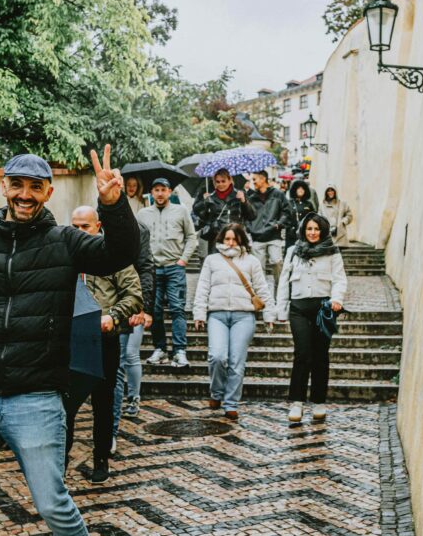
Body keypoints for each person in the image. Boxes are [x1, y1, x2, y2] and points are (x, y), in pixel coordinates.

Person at [0, 147, 137, 536]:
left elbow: (120, 253)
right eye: (17, 185)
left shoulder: (65, 242)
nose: (25, 194)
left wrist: (113, 205)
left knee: (52, 505)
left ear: (48, 193)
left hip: (36, 399)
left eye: (35, 187)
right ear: (3, 187)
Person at [64, 206, 142, 484]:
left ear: (98, 226)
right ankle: (61, 460)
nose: (79, 231)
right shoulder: (64, 254)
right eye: (74, 226)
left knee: (103, 402)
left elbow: (134, 295)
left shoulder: (113, 257)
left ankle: (101, 458)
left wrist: (113, 316)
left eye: (85, 226)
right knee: (65, 405)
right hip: (70, 340)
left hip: (103, 340)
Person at [193, 223, 275, 420]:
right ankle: (216, 392)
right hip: (217, 315)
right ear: (221, 240)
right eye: (227, 239)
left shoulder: (252, 261)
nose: (230, 243)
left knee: (237, 362)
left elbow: (262, 289)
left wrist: (269, 315)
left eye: (234, 239)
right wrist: (199, 313)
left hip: (243, 316)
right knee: (217, 357)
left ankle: (231, 403)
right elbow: (203, 287)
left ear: (241, 241)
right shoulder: (212, 260)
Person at [275, 213, 347, 424]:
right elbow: (284, 281)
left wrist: (336, 299)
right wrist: (281, 310)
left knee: (320, 355)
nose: (313, 233)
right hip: (299, 308)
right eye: (309, 229)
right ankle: (297, 402)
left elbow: (340, 279)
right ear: (303, 230)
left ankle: (318, 401)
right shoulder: (293, 251)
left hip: (323, 308)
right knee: (302, 353)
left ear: (322, 231)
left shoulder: (332, 251)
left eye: (316, 229)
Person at [136, 177, 198, 368]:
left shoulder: (181, 211)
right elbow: (137, 238)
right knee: (154, 310)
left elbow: (191, 237)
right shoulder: (143, 214)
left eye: (163, 189)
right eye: (156, 190)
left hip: (174, 267)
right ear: (151, 193)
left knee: (177, 308)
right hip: (152, 269)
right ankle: (160, 348)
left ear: (170, 192)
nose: (160, 193)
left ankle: (179, 351)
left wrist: (183, 260)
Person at [112, 220, 154, 451]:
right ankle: (113, 414)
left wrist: (143, 307)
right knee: (119, 360)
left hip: (134, 300)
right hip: (111, 303)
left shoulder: (139, 230)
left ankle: (133, 398)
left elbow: (146, 268)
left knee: (130, 354)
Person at [245, 171, 291, 297]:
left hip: (273, 234)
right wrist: (250, 228)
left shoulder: (278, 194)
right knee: (258, 268)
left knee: (277, 262)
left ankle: (279, 294)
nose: (253, 182)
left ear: (263, 179)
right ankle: (262, 296)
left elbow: (287, 211)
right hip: (257, 237)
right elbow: (246, 215)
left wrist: (279, 224)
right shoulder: (251, 197)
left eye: (254, 179)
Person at [193, 168, 257, 254]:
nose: (220, 184)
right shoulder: (210, 197)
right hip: (216, 238)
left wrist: (244, 201)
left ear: (230, 180)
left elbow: (252, 216)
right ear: (214, 182)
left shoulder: (240, 194)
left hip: (236, 237)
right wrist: (204, 202)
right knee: (216, 262)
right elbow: (201, 215)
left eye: (223, 181)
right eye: (217, 182)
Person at [285, 178, 317, 251]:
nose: (301, 190)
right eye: (298, 188)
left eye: (302, 188)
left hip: (304, 233)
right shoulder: (289, 203)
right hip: (291, 234)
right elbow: (285, 216)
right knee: (290, 252)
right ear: (294, 190)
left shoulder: (309, 204)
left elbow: (313, 218)